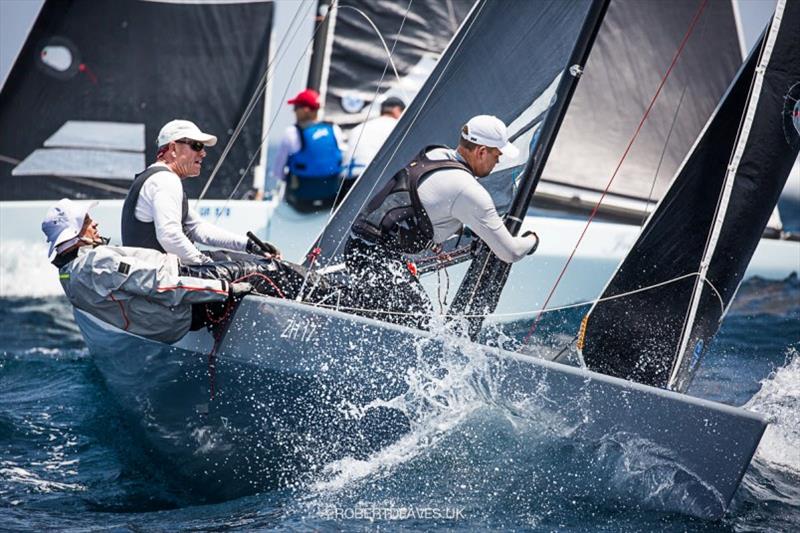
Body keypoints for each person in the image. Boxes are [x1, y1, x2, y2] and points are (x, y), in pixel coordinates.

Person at [345, 115, 539, 328]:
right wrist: (532, 240)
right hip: (378, 260)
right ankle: (333, 300)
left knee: (390, 316)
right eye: (497, 154)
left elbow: (428, 205)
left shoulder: (434, 153)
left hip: (358, 246)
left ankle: (337, 301)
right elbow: (509, 252)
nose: (499, 161)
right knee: (422, 328)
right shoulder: (468, 191)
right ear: (481, 152)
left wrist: (459, 232)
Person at [45, 200, 311, 344]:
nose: (95, 224)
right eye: (88, 222)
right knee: (269, 270)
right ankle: (334, 302)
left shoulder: (69, 275)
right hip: (185, 303)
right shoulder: (95, 264)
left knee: (232, 260)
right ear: (75, 234)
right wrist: (224, 289)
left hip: (173, 309)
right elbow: (163, 285)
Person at [121, 119, 279, 265]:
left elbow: (198, 228)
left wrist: (248, 245)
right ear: (173, 148)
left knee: (246, 260)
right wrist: (204, 264)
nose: (203, 153)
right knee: (269, 268)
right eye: (196, 146)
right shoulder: (165, 180)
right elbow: (169, 235)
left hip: (151, 273)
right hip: (159, 279)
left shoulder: (155, 177)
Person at [270, 89, 347, 212]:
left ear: (305, 109)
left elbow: (278, 172)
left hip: (301, 201)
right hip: (331, 199)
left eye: (296, 107)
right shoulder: (334, 129)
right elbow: (343, 160)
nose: (293, 110)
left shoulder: (292, 132)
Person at [340, 96, 405, 202]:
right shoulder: (396, 126)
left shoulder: (359, 127)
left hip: (345, 182)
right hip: (370, 181)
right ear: (397, 110)